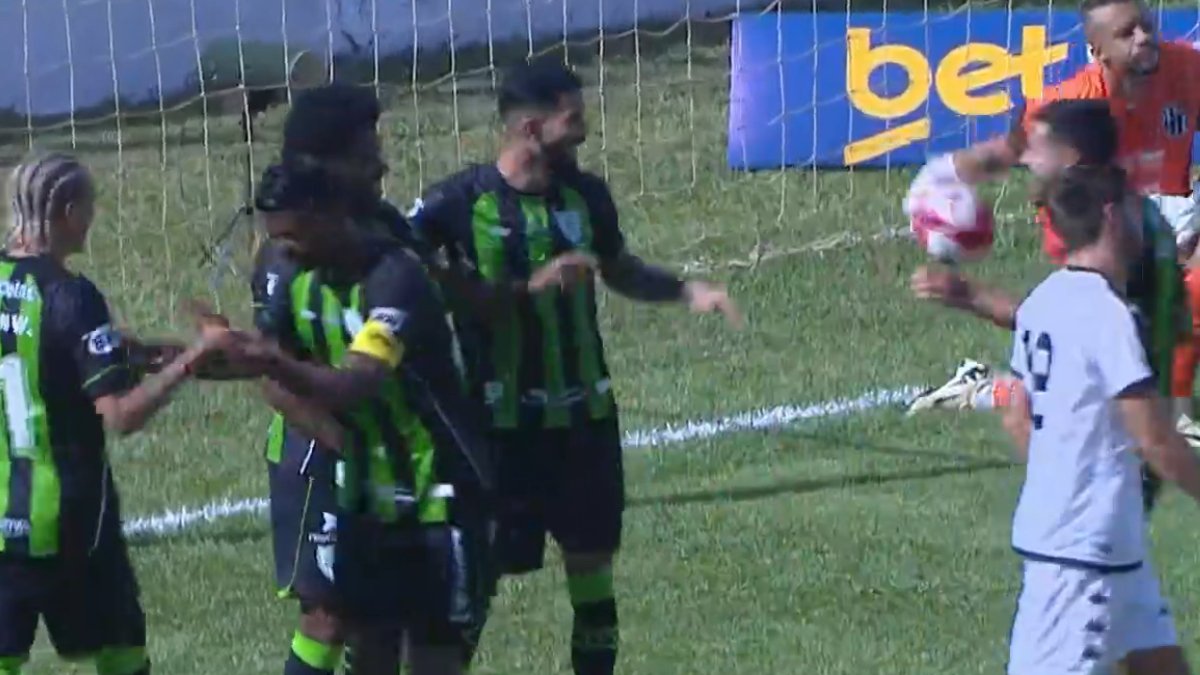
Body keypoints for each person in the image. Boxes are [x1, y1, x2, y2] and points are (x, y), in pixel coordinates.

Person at [408, 59, 741, 675]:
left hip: (585, 423)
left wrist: (686, 290)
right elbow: (399, 268)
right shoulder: (456, 204)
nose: (584, 130)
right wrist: (497, 289)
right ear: (531, 128)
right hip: (498, 432)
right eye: (573, 118)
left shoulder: (587, 196)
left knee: (593, 582)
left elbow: (619, 268)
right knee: (471, 591)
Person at [242, 161, 493, 675]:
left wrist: (265, 360)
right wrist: (192, 357)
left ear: (330, 215)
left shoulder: (396, 279)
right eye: (276, 238)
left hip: (437, 498)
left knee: (434, 658)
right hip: (367, 507)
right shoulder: (295, 276)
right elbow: (268, 368)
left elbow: (356, 382)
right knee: (369, 653)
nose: (283, 250)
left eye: (292, 235)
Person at [908, 0, 1200, 422]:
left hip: (1155, 215)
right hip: (1091, 223)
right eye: (1126, 34)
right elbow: (1009, 154)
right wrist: (936, 181)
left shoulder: (1187, 68)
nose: (1144, 38)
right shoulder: (1071, 107)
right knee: (1106, 343)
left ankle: (1175, 407)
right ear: (1097, 52)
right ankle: (987, 389)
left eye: (1146, 26)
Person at [0, 153, 236, 675]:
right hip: (70, 519)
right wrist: (195, 357)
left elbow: (49, 358)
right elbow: (121, 416)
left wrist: (139, 353)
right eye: (89, 206)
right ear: (68, 211)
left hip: (2, 520)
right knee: (122, 653)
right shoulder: (71, 296)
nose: (92, 218)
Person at [255, 83, 438, 675]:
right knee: (329, 615)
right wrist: (343, 442)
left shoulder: (390, 234)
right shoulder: (286, 256)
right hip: (318, 456)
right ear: (323, 167)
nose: (380, 166)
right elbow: (273, 378)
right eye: (365, 157)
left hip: (392, 458)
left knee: (385, 622)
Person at [1002, 164, 1200, 675]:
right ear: (1112, 217)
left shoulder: (1043, 301)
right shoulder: (1107, 315)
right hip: (1082, 560)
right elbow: (1155, 439)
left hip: (1110, 546)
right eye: (1136, 208)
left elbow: (1018, 416)